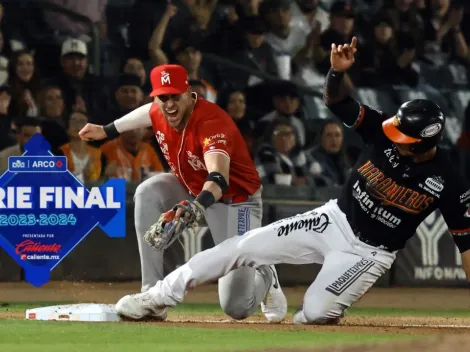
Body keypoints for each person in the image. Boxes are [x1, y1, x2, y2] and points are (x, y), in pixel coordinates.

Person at [109, 38, 470, 325]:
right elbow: (337, 101)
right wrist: (335, 72)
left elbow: (466, 246)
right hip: (333, 219)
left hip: (369, 252)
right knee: (239, 247)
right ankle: (156, 296)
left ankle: (318, 303)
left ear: (425, 143)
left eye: (404, 136)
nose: (394, 136)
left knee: (312, 313)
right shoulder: (384, 130)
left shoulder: (449, 179)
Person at [78, 64, 287, 322]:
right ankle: (153, 296)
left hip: (235, 200)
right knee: (147, 192)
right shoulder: (160, 109)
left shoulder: (211, 123)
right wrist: (107, 130)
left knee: (237, 307)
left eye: (175, 96)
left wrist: (197, 206)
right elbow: (148, 112)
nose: (168, 104)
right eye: (162, 97)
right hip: (191, 187)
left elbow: (218, 178)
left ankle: (265, 273)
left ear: (189, 93)